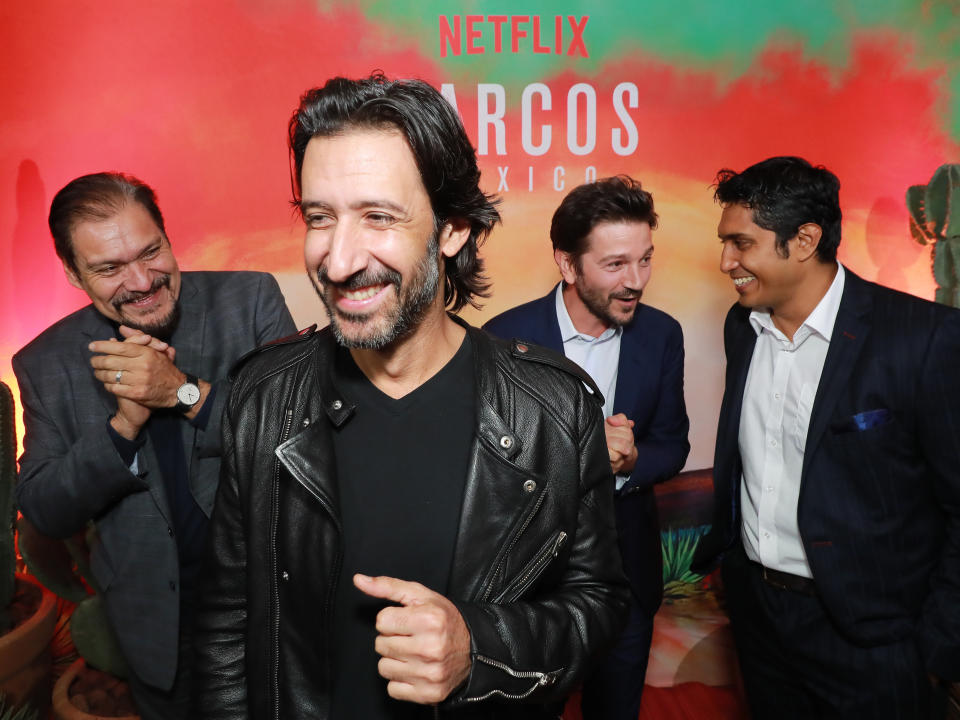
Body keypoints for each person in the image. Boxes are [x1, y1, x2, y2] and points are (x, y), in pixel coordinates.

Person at [193, 73, 630, 720]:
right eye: (319, 217)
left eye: (378, 217)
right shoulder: (262, 395)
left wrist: (477, 648)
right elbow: (229, 621)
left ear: (452, 229)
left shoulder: (552, 410)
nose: (338, 261)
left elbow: (599, 603)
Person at [13, 172, 297, 720]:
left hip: (270, 609)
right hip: (153, 630)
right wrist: (122, 427)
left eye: (151, 251)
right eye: (109, 268)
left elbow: (295, 436)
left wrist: (181, 392)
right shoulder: (44, 364)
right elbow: (44, 508)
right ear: (74, 273)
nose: (142, 281)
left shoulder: (250, 298)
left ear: (168, 236)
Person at [691, 156, 960, 719]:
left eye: (741, 243)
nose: (725, 262)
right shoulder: (743, 327)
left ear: (805, 239)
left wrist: (936, 649)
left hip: (875, 641)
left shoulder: (924, 339)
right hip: (761, 625)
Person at [484, 176, 689, 719]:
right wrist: (573, 455)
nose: (636, 281)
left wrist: (633, 461)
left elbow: (673, 443)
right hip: (529, 588)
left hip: (627, 580)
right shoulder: (503, 339)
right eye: (616, 264)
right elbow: (485, 471)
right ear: (567, 264)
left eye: (645, 260)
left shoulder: (662, 335)